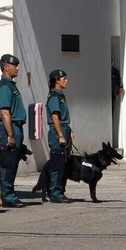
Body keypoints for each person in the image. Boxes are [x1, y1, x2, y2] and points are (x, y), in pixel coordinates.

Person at [0, 54, 28, 208]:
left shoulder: (11, 85)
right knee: (8, 164)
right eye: (15, 65)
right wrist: (10, 135)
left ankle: (10, 194)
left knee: (13, 163)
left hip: (16, 126)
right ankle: (8, 196)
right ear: (6, 67)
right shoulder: (5, 87)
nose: (18, 68)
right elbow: (5, 112)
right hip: (10, 127)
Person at [44, 69, 72, 203]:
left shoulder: (60, 95)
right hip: (57, 132)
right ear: (57, 80)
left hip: (64, 129)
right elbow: (55, 117)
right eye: (64, 79)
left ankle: (60, 191)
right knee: (57, 164)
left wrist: (68, 130)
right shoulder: (54, 96)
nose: (66, 81)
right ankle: (55, 193)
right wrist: (61, 135)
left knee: (64, 164)